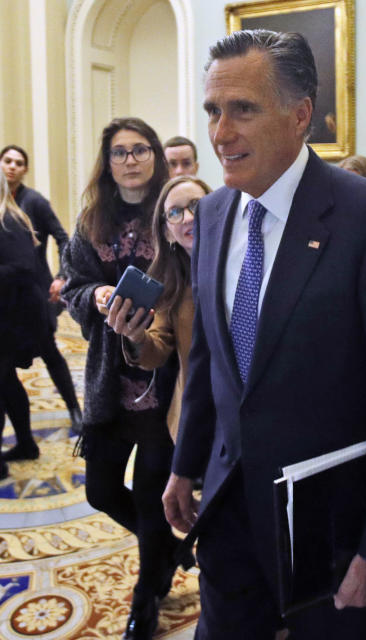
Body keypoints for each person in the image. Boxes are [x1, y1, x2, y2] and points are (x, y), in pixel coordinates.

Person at [161, 30, 366, 639]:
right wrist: (186, 466)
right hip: (228, 507)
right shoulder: (210, 214)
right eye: (212, 110)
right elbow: (212, 359)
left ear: (301, 115)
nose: (220, 133)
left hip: (328, 527)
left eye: (243, 109)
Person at [60, 117, 184, 640]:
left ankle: (145, 596)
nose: (130, 159)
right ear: (107, 163)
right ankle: (171, 553)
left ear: (155, 156)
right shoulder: (92, 220)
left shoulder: (176, 211)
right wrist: (98, 297)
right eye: (119, 152)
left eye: (140, 150)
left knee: (156, 499)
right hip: (110, 384)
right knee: (102, 489)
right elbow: (72, 285)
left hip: (164, 380)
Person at [106, 175, 212, 444]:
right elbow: (155, 351)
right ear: (166, 232)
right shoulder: (171, 285)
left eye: (196, 205)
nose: (188, 218)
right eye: (175, 213)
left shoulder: (247, 263)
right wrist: (135, 336)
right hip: (199, 415)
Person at [1, 144, 82, 435]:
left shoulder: (33, 202)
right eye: (7, 160)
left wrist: (61, 276)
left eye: (18, 162)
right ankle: (24, 439)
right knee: (7, 368)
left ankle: (74, 409)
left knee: (50, 353)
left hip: (36, 293)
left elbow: (64, 239)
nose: (12, 166)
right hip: (8, 301)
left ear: (25, 170)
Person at [0, 177, 46, 475]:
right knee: (6, 383)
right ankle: (27, 444)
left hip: (11, 320)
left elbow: (23, 269)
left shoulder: (8, 220)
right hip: (8, 317)